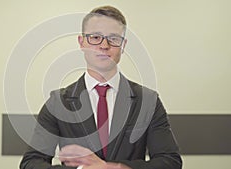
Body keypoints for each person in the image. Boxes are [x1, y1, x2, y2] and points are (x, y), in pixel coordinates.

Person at [20, 5, 182, 169]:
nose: (104, 45)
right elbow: (31, 163)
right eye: (96, 37)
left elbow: (170, 162)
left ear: (123, 45)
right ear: (81, 42)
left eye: (113, 38)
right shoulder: (58, 103)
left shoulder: (148, 101)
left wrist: (114, 168)